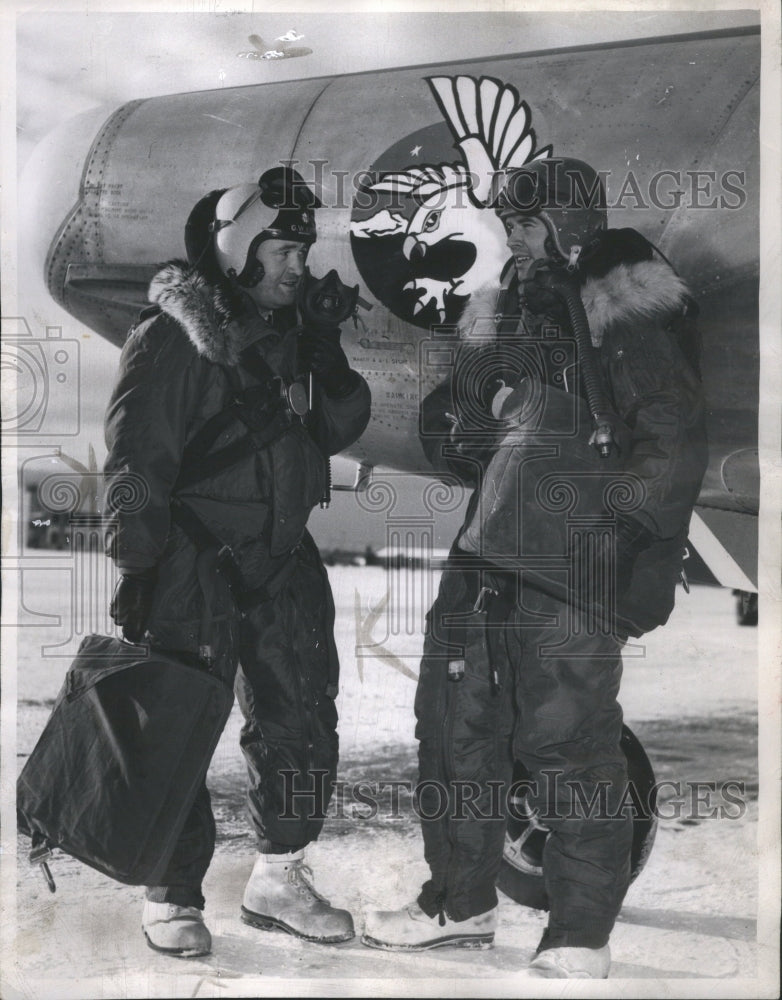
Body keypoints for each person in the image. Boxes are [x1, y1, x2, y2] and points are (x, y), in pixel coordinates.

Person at [362, 158, 707, 977]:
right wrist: (471, 376)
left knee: (569, 747)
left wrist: (621, 540)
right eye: (507, 223)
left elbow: (672, 430)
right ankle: (459, 906)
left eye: (523, 220)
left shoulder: (621, 292)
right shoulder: (517, 308)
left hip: (570, 568)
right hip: (486, 557)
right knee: (456, 737)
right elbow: (467, 440)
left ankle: (580, 936)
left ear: (568, 220)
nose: (509, 235)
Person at [104, 166, 371, 956]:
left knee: (300, 719)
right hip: (194, 562)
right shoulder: (172, 339)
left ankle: (278, 876)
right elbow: (134, 464)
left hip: (283, 561)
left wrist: (324, 345)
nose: (299, 264)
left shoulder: (289, 340)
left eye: (302, 249)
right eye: (283, 248)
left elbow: (340, 428)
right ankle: (173, 893)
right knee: (181, 722)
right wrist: (138, 565)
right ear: (236, 250)